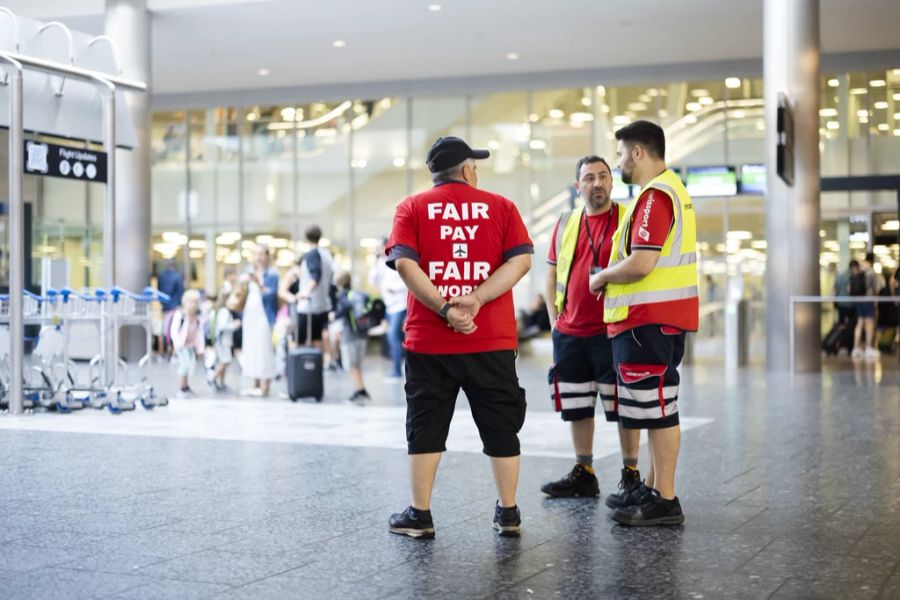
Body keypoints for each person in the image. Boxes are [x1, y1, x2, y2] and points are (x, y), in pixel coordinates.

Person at [386, 136, 533, 539]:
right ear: (468, 170)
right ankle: (508, 512)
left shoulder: (410, 208)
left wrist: (445, 309)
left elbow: (404, 263)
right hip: (492, 338)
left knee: (426, 423)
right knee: (501, 423)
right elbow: (520, 260)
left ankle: (420, 514)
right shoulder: (501, 207)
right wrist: (479, 298)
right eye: (475, 165)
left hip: (430, 341)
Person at [589, 120, 699, 526]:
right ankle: (655, 490)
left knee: (660, 410)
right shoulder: (669, 191)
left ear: (638, 152)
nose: (618, 162)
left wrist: (601, 277)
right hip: (656, 320)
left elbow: (643, 262)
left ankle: (665, 500)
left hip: (648, 321)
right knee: (657, 407)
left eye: (620, 154)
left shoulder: (655, 196)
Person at [541, 155, 643, 507]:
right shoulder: (567, 221)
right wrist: (554, 318)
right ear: (578, 186)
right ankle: (584, 473)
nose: (597, 183)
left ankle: (631, 473)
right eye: (589, 178)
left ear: (612, 183)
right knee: (577, 405)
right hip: (570, 332)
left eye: (603, 176)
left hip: (614, 330)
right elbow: (551, 270)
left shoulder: (629, 218)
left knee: (624, 406)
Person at [290, 226, 335, 362]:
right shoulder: (327, 255)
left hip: (308, 305)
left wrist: (303, 293)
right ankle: (314, 371)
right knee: (317, 339)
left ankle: (294, 370)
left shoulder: (311, 254)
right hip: (322, 305)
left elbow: (316, 276)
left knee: (296, 338)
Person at [239, 245, 278, 396]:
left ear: (267, 255)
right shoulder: (250, 270)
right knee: (251, 346)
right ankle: (254, 383)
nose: (258, 257)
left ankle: (264, 385)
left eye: (261, 254)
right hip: (251, 312)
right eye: (256, 254)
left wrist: (258, 283)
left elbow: (271, 294)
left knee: (264, 347)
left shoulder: (272, 274)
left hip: (264, 313)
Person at [370, 239, 409, 380]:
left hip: (400, 305)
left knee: (393, 336)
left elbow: (407, 282)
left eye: (380, 247)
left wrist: (393, 288)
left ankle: (397, 370)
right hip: (390, 306)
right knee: (395, 337)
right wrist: (376, 261)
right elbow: (373, 280)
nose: (379, 250)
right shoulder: (381, 263)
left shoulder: (398, 259)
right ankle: (399, 368)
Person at [333, 272, 372, 403]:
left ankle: (360, 390)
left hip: (350, 334)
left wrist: (334, 315)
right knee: (357, 364)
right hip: (362, 333)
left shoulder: (342, 295)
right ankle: (361, 389)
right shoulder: (357, 294)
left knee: (351, 365)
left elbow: (343, 309)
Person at [170, 289, 205, 399]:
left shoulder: (197, 318)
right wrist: (176, 344)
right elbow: (174, 331)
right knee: (184, 365)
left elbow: (199, 334)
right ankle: (182, 388)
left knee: (189, 365)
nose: (193, 304)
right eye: (191, 301)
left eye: (195, 301)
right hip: (181, 345)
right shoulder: (180, 315)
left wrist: (200, 349)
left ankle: (186, 386)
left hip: (190, 346)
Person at [209, 289, 243, 392]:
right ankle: (213, 378)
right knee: (225, 361)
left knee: (225, 361)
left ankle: (221, 382)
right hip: (223, 341)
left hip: (225, 341)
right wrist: (234, 325)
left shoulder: (226, 311)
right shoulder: (224, 311)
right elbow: (223, 326)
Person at [852, 252, 879, 360]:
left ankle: (856, 348)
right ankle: (868, 348)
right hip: (868, 300)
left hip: (859, 300)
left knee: (860, 323)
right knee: (869, 324)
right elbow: (875, 288)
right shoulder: (871, 271)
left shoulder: (861, 269)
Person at [157, 260, 185, 355]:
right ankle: (174, 351)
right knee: (174, 329)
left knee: (166, 329)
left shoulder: (161, 276)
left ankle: (166, 349)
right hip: (175, 307)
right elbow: (180, 291)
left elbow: (159, 291)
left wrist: (163, 303)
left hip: (165, 307)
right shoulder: (178, 276)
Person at [834, 260, 860, 328]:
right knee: (852, 324)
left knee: (841, 323)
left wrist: (835, 300)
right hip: (851, 304)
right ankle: (848, 337)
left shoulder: (841, 275)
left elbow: (836, 289)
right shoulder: (854, 277)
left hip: (841, 303)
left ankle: (842, 337)